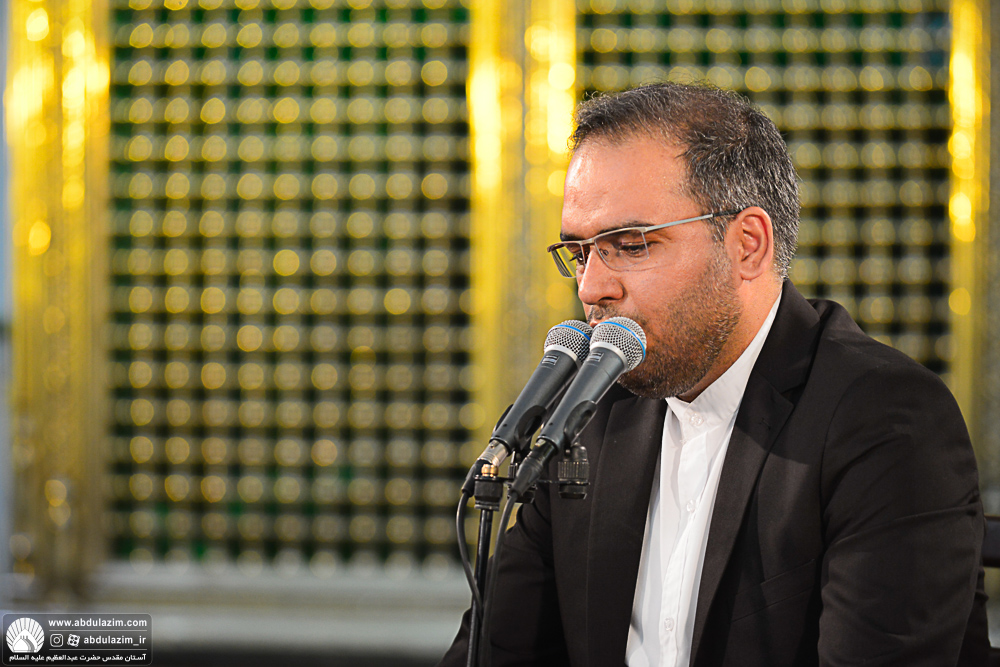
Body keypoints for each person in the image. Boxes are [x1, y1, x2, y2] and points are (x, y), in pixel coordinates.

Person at [439, 82, 988, 667]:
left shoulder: (886, 419)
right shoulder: (586, 413)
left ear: (747, 245)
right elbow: (497, 649)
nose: (592, 288)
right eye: (580, 253)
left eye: (630, 245)